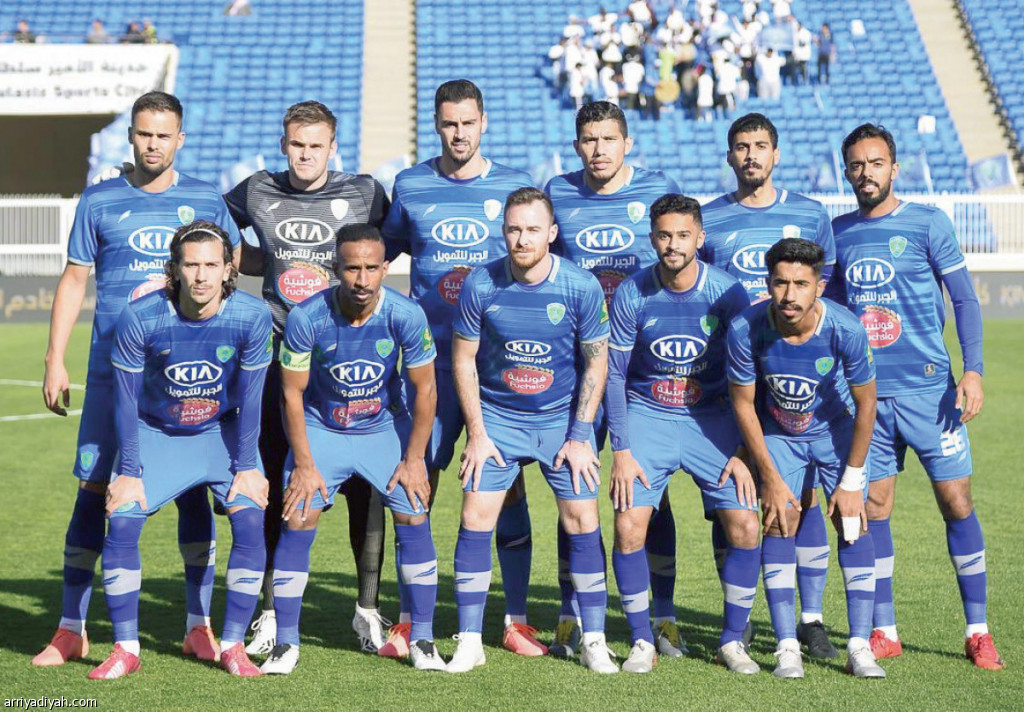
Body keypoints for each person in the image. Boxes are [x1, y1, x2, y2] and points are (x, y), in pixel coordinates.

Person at [35, 91, 241, 668]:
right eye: (144, 134)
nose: (153, 144)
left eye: (163, 135)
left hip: (187, 380)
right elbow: (75, 278)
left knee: (194, 490)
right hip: (113, 372)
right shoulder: (99, 199)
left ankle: (197, 626)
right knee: (93, 487)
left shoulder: (205, 199)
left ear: (181, 139)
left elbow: (231, 268)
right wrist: (55, 357)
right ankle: (70, 628)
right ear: (131, 136)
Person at [830, 124, 1003, 670]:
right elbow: (830, 313)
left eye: (876, 163)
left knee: (957, 503)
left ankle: (977, 631)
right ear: (846, 171)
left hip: (931, 395)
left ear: (894, 168)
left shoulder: (929, 222)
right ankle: (884, 630)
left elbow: (965, 300)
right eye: (857, 165)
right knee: (873, 509)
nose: (866, 173)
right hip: (867, 401)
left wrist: (972, 372)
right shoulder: (837, 233)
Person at [224, 100, 391, 657]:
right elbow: (214, 227)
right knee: (277, 480)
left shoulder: (365, 193)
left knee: (367, 483)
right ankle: (271, 610)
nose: (306, 155)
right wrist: (260, 262)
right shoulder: (257, 191)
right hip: (277, 355)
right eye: (297, 144)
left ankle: (367, 609)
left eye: (316, 146)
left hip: (347, 356)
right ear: (283, 145)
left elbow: (388, 246)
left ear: (332, 147)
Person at [382, 80, 539, 659]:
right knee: (413, 482)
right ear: (436, 125)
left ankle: (516, 618)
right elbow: (380, 256)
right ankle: (409, 619)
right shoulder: (410, 185)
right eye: (449, 124)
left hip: (494, 370)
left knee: (507, 484)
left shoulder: (514, 189)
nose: (459, 134)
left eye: (468, 122)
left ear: (484, 122)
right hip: (428, 367)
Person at [89, 222, 272, 679]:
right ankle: (126, 647)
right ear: (174, 269)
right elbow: (125, 401)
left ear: (229, 268)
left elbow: (252, 400)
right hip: (157, 432)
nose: (201, 276)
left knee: (250, 516)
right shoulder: (141, 317)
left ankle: (231, 645)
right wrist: (128, 471)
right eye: (191, 265)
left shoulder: (252, 316)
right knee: (123, 517)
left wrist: (248, 466)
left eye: (211, 264)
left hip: (219, 432)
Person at [263, 224, 444, 674]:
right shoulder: (306, 317)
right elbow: (290, 395)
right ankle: (285, 643)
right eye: (351, 269)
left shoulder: (406, 314)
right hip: (322, 427)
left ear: (385, 268)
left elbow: (425, 390)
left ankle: (422, 640)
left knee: (413, 511)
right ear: (334, 268)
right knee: (298, 514)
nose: (362, 280)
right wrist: (304, 465)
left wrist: (414, 460)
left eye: (371, 268)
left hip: (381, 428)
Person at [447, 188, 614, 674]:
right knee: (475, 514)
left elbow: (596, 362)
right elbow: (464, 359)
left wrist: (580, 435)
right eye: (514, 229)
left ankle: (594, 639)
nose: (523, 239)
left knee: (582, 518)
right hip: (498, 419)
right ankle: (470, 641)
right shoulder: (480, 284)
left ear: (552, 233)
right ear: (503, 232)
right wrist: (477, 434)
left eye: (533, 229)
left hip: (560, 421)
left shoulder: (580, 287)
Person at [545, 100, 684, 660]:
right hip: (579, 367)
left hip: (642, 369)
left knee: (650, 493)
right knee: (573, 490)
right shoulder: (558, 192)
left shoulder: (657, 189)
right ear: (576, 145)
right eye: (589, 139)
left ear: (628, 143)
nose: (598, 149)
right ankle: (570, 613)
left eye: (608, 139)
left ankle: (663, 614)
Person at [700, 112, 839, 659]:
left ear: (776, 154)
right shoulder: (709, 218)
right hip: (730, 379)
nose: (751, 155)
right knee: (731, 499)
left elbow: (831, 295)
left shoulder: (810, 214)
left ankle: (810, 619)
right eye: (741, 146)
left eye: (760, 146)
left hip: (793, 380)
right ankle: (738, 615)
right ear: (729, 156)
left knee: (800, 495)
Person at [607, 194, 760, 674]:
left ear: (700, 237)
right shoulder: (632, 292)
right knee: (628, 525)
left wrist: (743, 449)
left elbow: (746, 374)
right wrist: (621, 450)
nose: (672, 245)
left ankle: (733, 640)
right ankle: (642, 639)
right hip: (649, 414)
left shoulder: (727, 293)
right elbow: (615, 374)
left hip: (711, 417)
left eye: (682, 235)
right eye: (664, 236)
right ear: (652, 238)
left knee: (745, 524)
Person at [727, 237, 886, 679]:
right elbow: (743, 404)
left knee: (852, 524)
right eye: (780, 283)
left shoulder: (845, 329)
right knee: (779, 519)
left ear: (819, 286)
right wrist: (769, 476)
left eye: (801, 284)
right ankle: (786, 647)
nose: (789, 295)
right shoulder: (745, 328)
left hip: (834, 432)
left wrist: (851, 481)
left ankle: (859, 646)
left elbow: (867, 404)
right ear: (767, 283)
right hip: (780, 434)